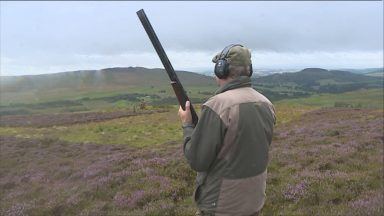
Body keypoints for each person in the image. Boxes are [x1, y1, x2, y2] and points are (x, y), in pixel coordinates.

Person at [178, 44, 276, 216]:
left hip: (222, 206)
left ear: (221, 69)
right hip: (254, 201)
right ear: (249, 70)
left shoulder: (217, 106)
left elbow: (197, 160)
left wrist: (187, 125)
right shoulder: (266, 104)